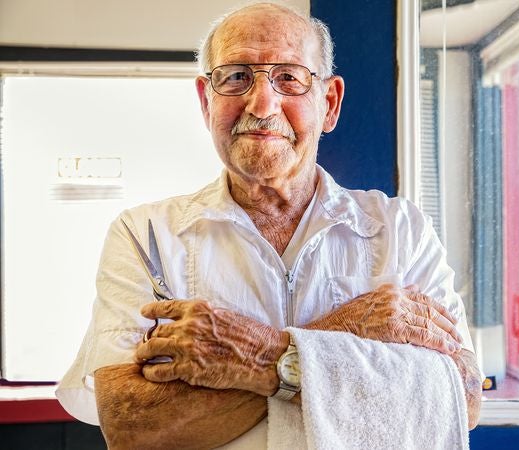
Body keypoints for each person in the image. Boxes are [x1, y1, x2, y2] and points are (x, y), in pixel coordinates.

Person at [56, 2, 482, 448]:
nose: (262, 103)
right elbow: (130, 423)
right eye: (236, 76)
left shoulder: (401, 231)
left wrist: (251, 358)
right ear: (207, 101)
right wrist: (349, 333)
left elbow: (463, 399)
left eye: (290, 78)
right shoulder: (146, 235)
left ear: (329, 104)